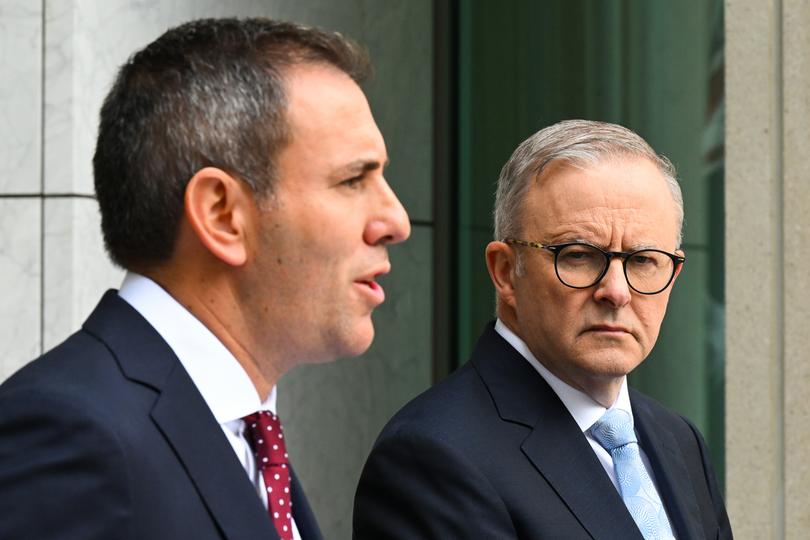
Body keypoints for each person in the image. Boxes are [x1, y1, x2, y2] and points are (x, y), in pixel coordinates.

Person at [0, 17, 410, 540]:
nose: (394, 221)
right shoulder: (73, 436)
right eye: (353, 179)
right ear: (221, 215)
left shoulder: (241, 432)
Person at [354, 120, 732, 539]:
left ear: (673, 275)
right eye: (578, 255)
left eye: (643, 261)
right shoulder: (430, 457)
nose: (616, 291)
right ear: (505, 272)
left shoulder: (679, 441)